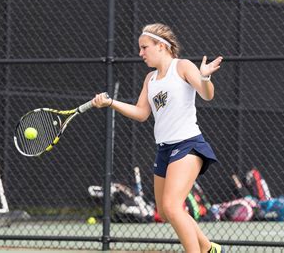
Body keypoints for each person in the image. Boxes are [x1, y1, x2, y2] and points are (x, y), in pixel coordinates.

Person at [92, 23, 224, 253]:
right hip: (164, 149)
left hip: (189, 145)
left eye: (145, 47)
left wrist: (204, 78)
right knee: (164, 211)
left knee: (173, 206)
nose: (141, 53)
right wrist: (111, 102)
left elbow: (207, 94)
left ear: (161, 46)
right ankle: (210, 249)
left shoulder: (182, 67)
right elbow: (142, 113)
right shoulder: (150, 79)